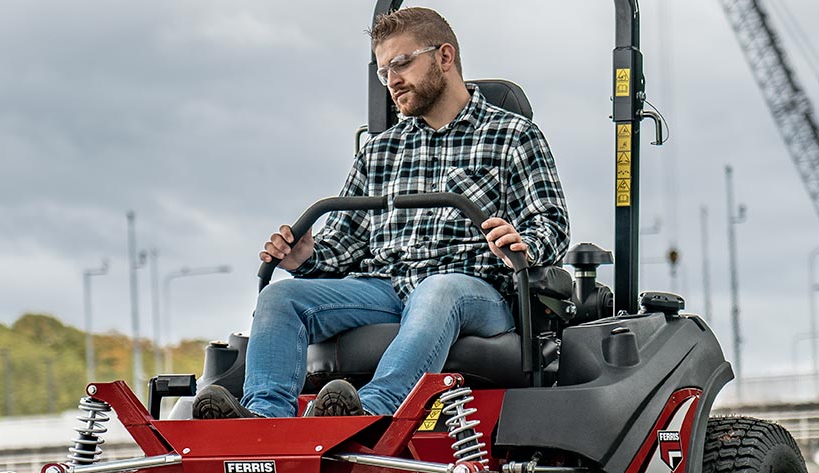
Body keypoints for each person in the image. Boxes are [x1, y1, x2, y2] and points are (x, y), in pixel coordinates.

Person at [192, 7, 569, 419]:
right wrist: (306, 257)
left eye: (402, 63)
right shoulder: (380, 149)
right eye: (383, 71)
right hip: (386, 287)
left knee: (437, 290)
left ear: (445, 57)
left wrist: (523, 244)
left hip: (476, 289)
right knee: (281, 296)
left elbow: (549, 222)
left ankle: (367, 414)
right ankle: (266, 420)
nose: (392, 80)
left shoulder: (513, 134)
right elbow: (347, 238)